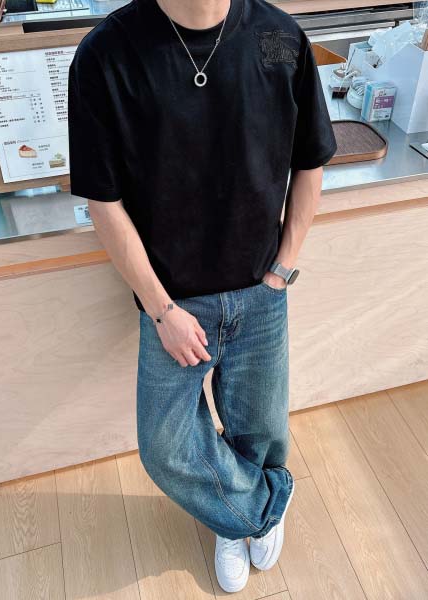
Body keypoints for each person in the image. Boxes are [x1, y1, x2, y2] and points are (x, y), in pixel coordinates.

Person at [67, 0, 337, 593]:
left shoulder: (279, 39)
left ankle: (231, 514)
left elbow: (310, 161)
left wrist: (281, 272)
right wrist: (161, 309)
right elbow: (102, 201)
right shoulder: (106, 54)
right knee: (165, 447)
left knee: (261, 431)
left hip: (261, 289)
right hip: (171, 303)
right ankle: (254, 510)